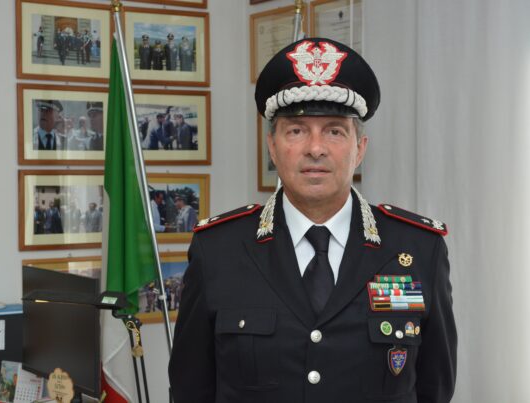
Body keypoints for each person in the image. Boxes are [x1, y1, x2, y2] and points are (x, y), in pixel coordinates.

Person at [169, 37, 457, 403]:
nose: (315, 148)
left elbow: (435, 388)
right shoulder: (218, 251)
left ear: (360, 149)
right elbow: (190, 389)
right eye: (296, 130)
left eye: (335, 131)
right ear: (272, 147)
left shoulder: (418, 250)